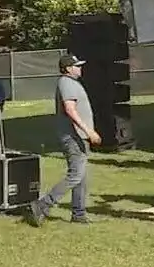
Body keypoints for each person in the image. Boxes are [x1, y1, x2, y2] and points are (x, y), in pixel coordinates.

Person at [24, 54, 100, 226]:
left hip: (79, 136)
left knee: (81, 176)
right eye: (77, 66)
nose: (80, 68)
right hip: (73, 136)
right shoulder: (66, 83)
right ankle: (42, 204)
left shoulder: (72, 83)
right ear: (67, 68)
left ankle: (79, 214)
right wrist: (89, 131)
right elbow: (70, 109)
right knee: (75, 175)